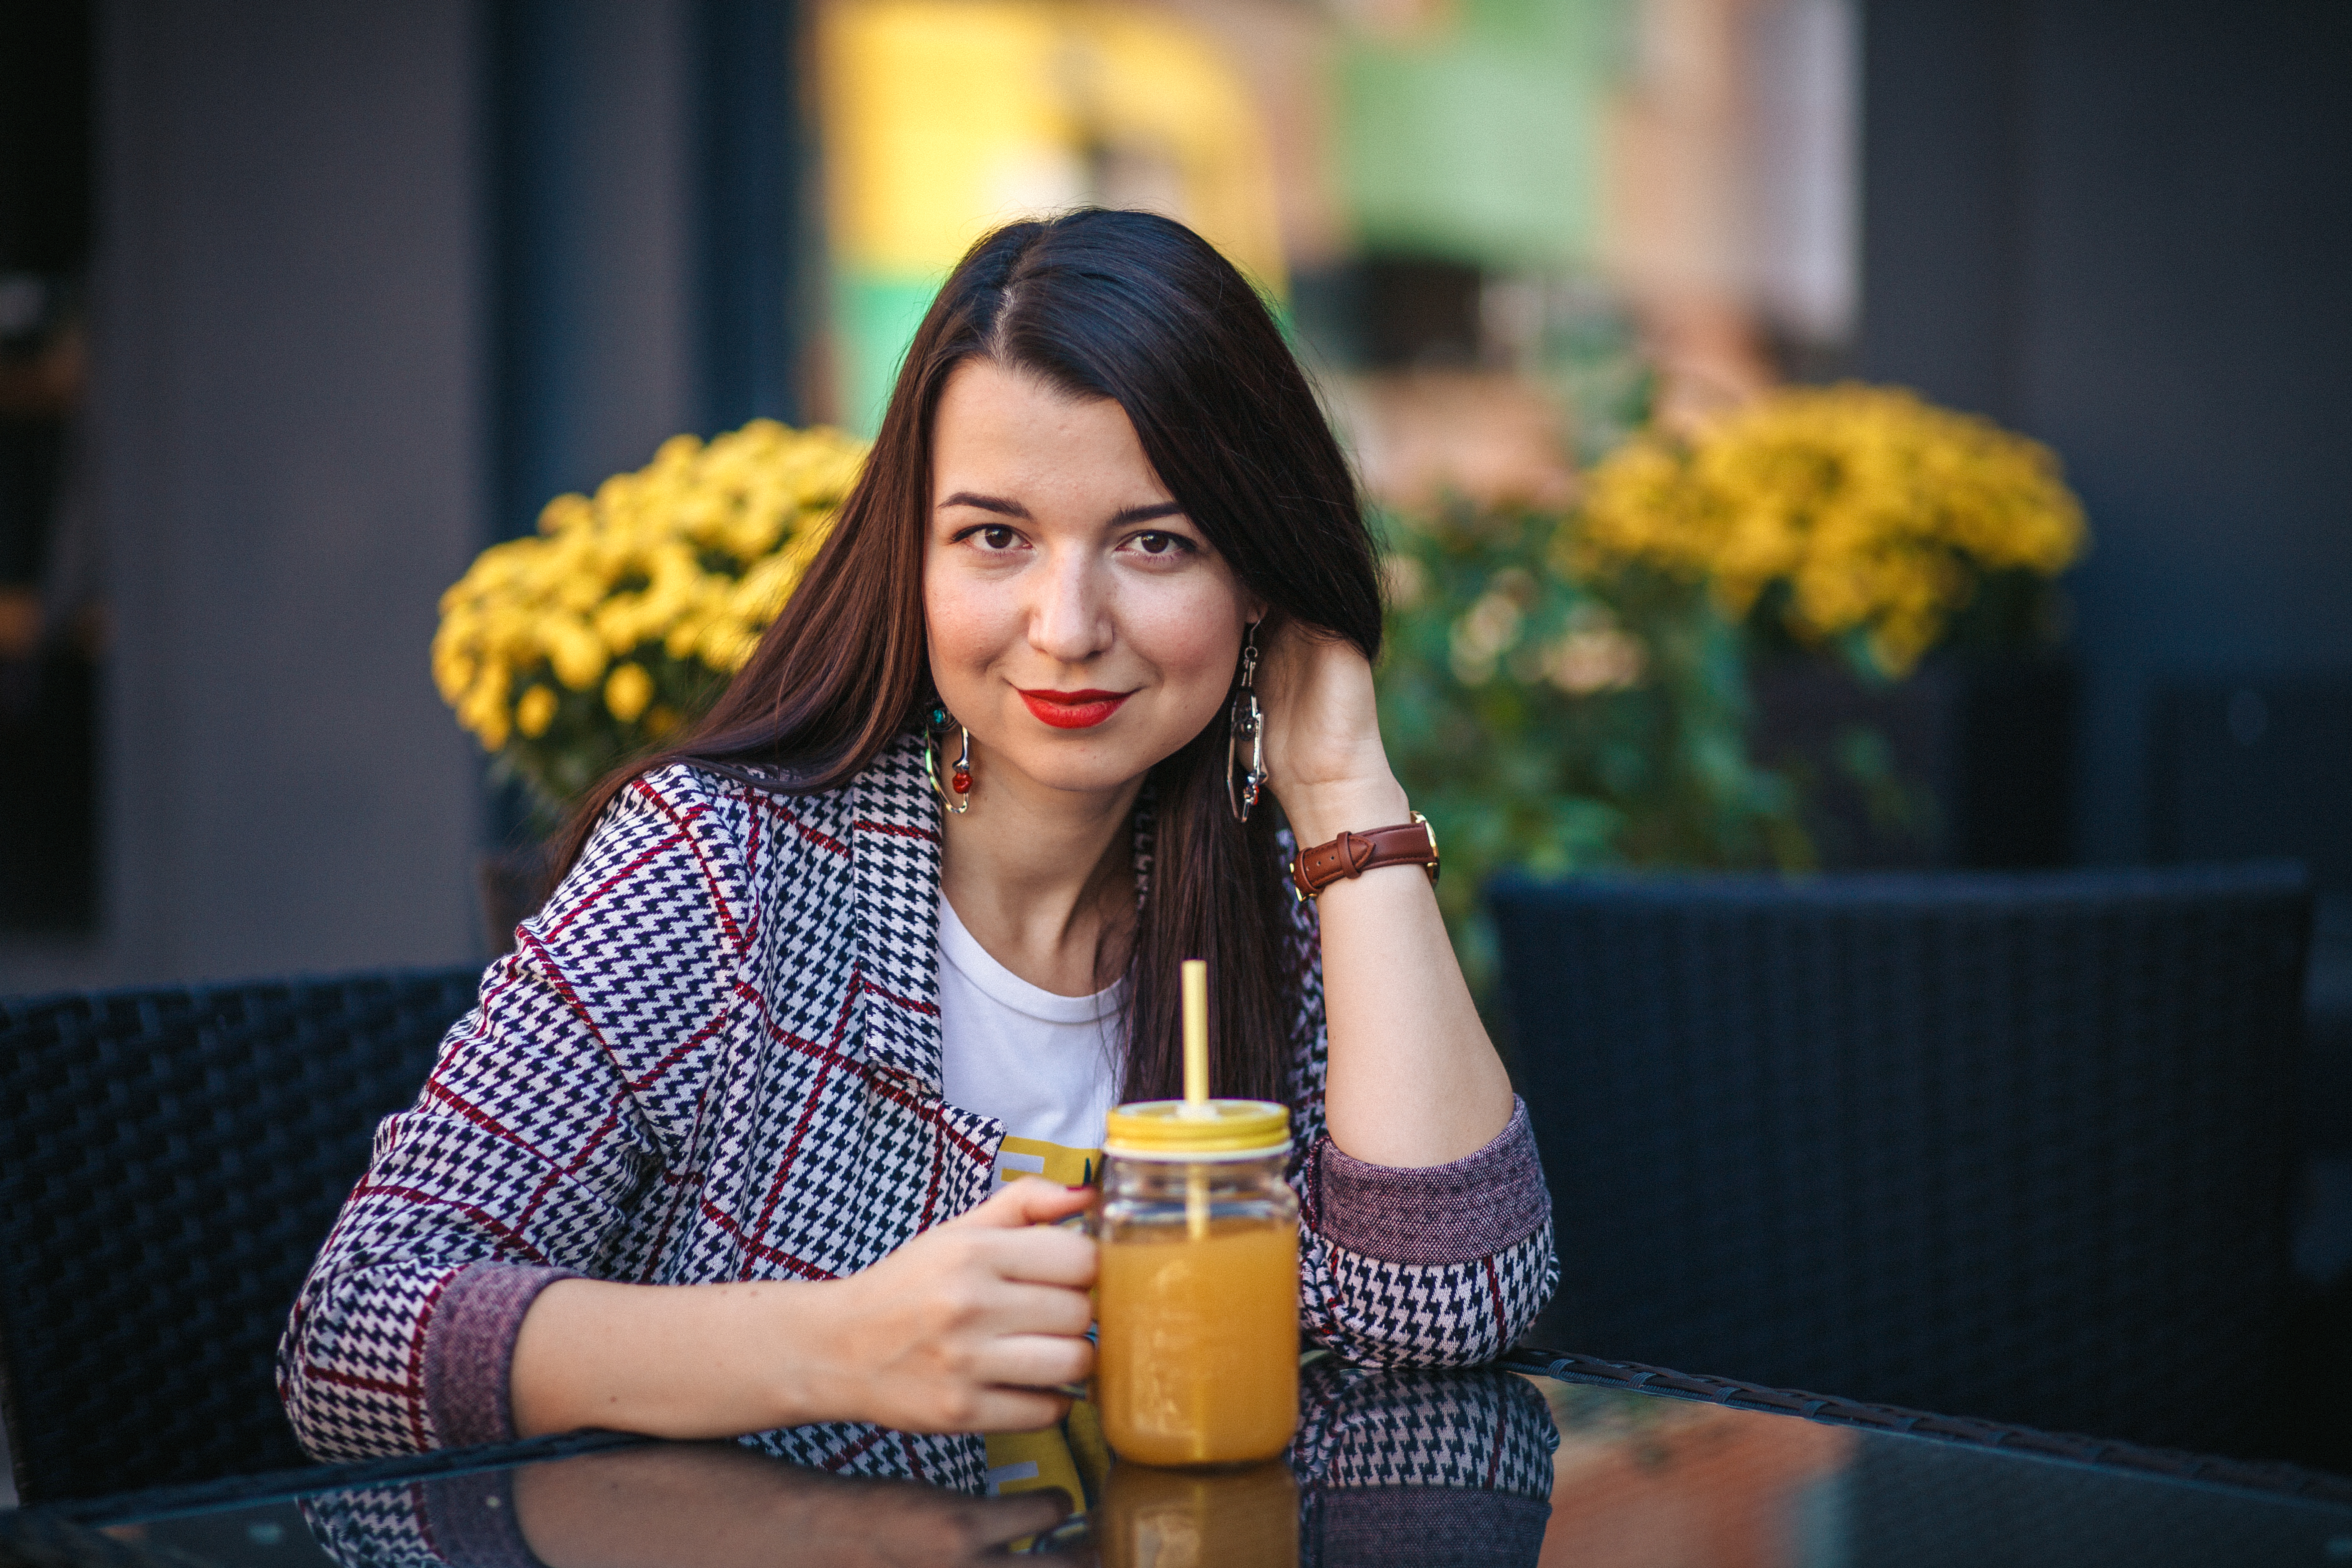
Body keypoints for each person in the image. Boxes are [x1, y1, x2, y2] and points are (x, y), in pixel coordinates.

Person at [279, 209, 1557, 1493]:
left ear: (1260, 578)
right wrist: (831, 1346)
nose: (1066, 627)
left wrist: (1345, 791)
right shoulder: (724, 864)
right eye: (995, 537)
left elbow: (1452, 1310)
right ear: (915, 553)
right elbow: (354, 1340)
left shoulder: (1281, 906)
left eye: (1156, 543)